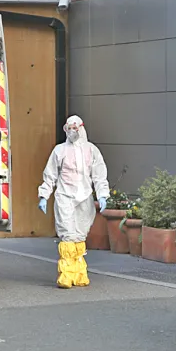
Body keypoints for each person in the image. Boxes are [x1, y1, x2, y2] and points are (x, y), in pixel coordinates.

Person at [38, 115, 109, 289]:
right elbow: (51, 175)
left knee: (79, 234)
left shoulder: (91, 150)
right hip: (65, 196)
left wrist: (102, 194)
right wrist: (44, 195)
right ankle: (66, 274)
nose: (71, 131)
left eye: (74, 128)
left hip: (84, 197)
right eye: (68, 128)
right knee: (68, 234)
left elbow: (99, 174)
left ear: (81, 128)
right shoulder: (59, 151)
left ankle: (79, 272)